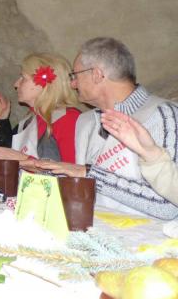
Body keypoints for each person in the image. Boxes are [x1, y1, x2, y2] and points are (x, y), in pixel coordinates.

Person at [35, 37, 178, 219]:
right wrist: (40, 167)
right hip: (94, 230)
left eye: (75, 76)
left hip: (149, 235)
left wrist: (91, 174)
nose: (72, 84)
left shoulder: (162, 114)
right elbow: (83, 186)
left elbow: (167, 207)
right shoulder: (85, 121)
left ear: (97, 74)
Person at [0, 53, 83, 167]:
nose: (16, 84)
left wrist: (22, 159)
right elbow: (13, 151)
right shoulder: (30, 118)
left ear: (43, 84)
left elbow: (72, 172)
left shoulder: (68, 119)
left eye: (23, 78)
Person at [102, 109, 178, 206]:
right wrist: (149, 152)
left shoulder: (165, 113)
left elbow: (164, 206)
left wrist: (92, 175)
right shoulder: (87, 120)